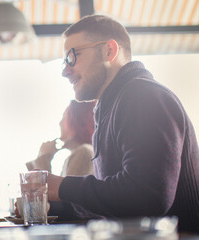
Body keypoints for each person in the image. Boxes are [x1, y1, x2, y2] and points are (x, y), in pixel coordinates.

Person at [45, 15, 199, 233]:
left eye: (73, 56)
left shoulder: (142, 96)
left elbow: (148, 198)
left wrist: (62, 187)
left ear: (109, 50)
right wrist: (56, 206)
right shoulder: (112, 105)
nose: (64, 70)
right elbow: (117, 204)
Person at [26, 100, 96, 177]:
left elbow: (61, 189)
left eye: (64, 117)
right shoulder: (84, 151)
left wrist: (44, 158)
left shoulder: (83, 152)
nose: (60, 123)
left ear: (75, 121)